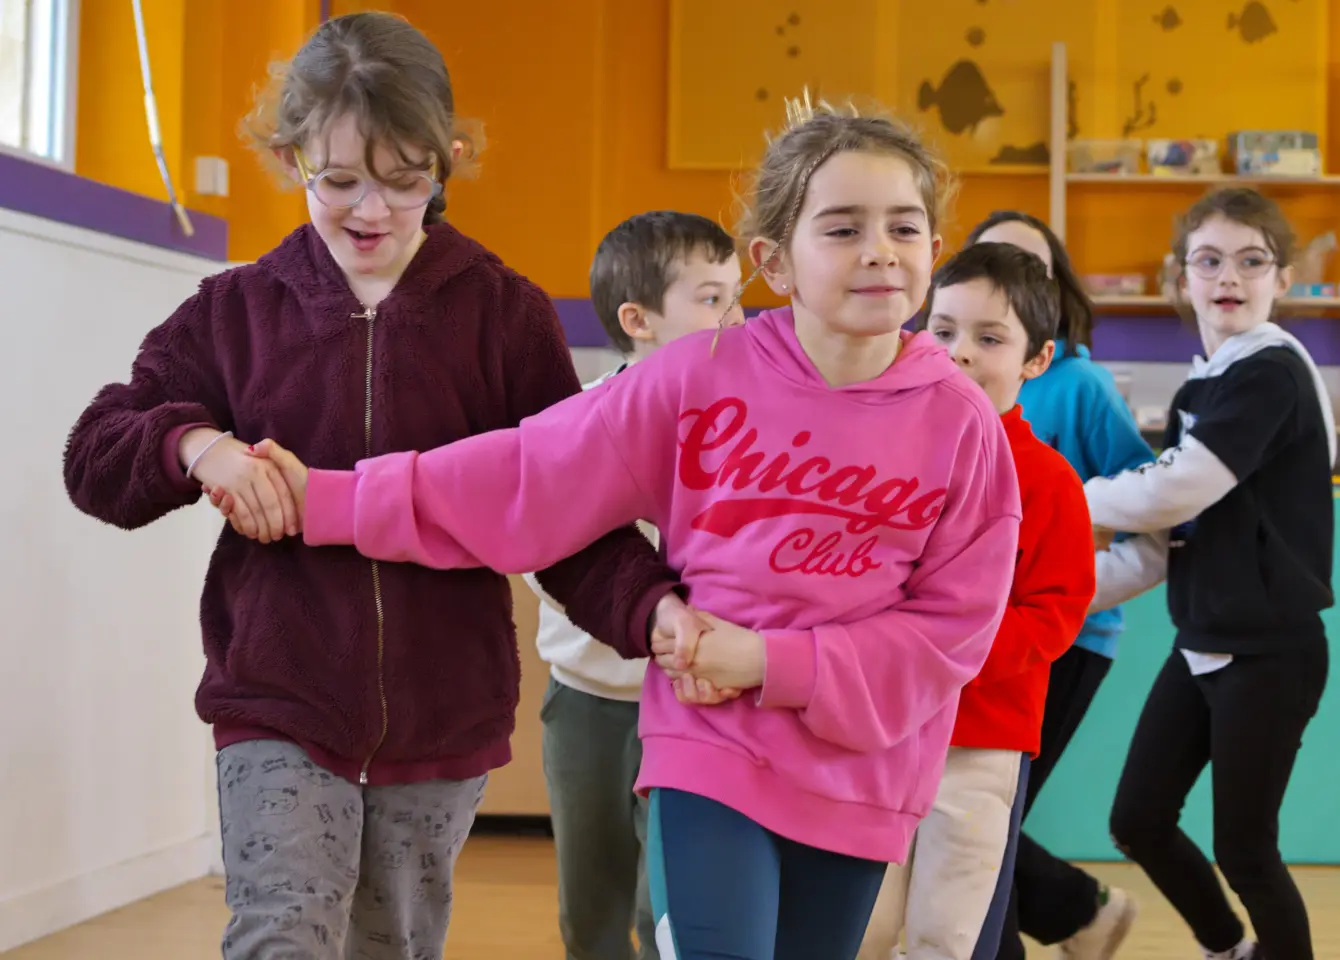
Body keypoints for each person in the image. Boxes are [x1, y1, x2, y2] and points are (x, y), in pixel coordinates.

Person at [244, 94, 1022, 960]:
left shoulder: (961, 422)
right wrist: (328, 501)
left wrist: (771, 661)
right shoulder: (696, 378)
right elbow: (525, 474)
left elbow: (953, 631)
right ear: (774, 261)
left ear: (934, 252)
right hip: (710, 742)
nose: (880, 250)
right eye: (842, 229)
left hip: (864, 771)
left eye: (904, 229)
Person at [61, 13, 673, 959]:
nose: (372, 212)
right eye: (338, 180)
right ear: (290, 154)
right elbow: (97, 453)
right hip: (278, 702)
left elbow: (566, 513)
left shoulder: (502, 317)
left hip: (442, 717)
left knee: (391, 946)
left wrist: (657, 614)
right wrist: (195, 446)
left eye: (404, 180)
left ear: (448, 158)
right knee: (283, 936)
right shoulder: (235, 312)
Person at [1086, 187, 1339, 960]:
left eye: (1251, 260)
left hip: (1269, 653)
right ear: (1181, 276)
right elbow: (1166, 537)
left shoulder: (1270, 371)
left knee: (1247, 851)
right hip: (1203, 641)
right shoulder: (1205, 383)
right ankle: (1228, 947)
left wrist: (1066, 500)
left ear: (1281, 280)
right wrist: (1054, 588)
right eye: (1209, 260)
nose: (1229, 276)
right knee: (1138, 819)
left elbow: (1177, 488)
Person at [858, 242, 1094, 960]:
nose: (959, 353)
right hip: (876, 733)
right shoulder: (879, 452)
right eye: (944, 330)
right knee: (854, 928)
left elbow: (1055, 611)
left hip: (984, 736)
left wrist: (942, 659)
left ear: (1037, 359)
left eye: (989, 338)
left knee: (947, 935)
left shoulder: (1050, 481)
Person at [524, 211, 740, 960]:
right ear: (637, 319)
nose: (735, 319)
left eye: (738, 299)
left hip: (697, 706)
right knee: (590, 910)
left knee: (667, 915)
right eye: (712, 299)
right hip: (587, 702)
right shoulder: (576, 421)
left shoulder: (746, 433)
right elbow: (545, 558)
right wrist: (639, 619)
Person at [963, 210, 1154, 960]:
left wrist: (1076, 583)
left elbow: (1146, 497)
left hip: (1064, 635)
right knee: (976, 825)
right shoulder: (940, 376)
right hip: (965, 641)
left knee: (992, 828)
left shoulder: (1079, 384)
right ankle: (1082, 912)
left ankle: (1074, 913)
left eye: (1030, 266)